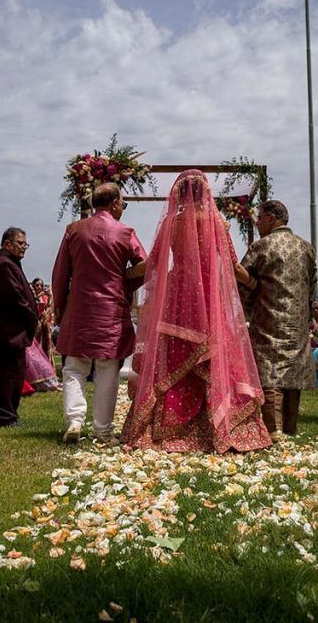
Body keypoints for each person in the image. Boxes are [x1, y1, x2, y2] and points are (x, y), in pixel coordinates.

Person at [120, 171, 271, 452]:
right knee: (215, 358)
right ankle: (216, 427)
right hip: (210, 295)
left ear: (178, 193)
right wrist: (254, 284)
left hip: (179, 297)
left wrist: (123, 274)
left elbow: (153, 262)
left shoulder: (171, 223)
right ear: (206, 194)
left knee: (175, 355)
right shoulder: (217, 223)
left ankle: (167, 427)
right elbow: (233, 266)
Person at [52, 182, 147, 443]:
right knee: (107, 369)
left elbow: (60, 275)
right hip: (111, 310)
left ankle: (74, 420)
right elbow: (146, 265)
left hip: (79, 309)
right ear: (115, 203)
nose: (123, 210)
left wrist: (59, 308)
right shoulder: (125, 232)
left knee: (73, 368)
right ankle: (102, 430)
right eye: (123, 205)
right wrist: (124, 281)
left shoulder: (73, 230)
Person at [236, 199, 317, 439]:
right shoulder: (306, 247)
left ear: (271, 218)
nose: (258, 223)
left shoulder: (261, 246)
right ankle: (290, 427)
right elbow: (311, 283)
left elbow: (243, 279)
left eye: (259, 219)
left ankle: (274, 429)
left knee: (270, 371)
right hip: (298, 318)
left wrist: (243, 308)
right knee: (292, 372)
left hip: (268, 316)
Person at [0, 227, 39, 426]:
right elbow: (16, 299)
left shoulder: (8, 263)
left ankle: (7, 413)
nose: (24, 248)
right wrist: (33, 319)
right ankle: (4, 416)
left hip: (11, 333)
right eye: (20, 243)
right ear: (7, 243)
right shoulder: (4, 265)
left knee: (13, 375)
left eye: (26, 244)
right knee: (7, 376)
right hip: (7, 333)